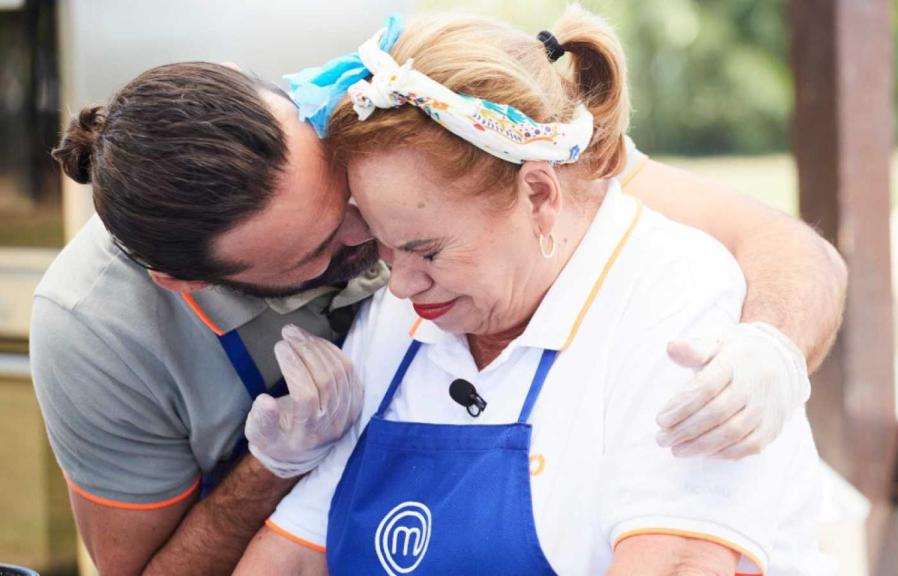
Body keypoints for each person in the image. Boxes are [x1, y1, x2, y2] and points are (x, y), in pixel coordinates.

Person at [33, 16, 844, 576]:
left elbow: (782, 245)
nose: (387, 277)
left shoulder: (422, 118)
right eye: (335, 250)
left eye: (412, 244)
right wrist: (276, 464)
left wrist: (771, 348)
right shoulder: (97, 327)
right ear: (191, 281)